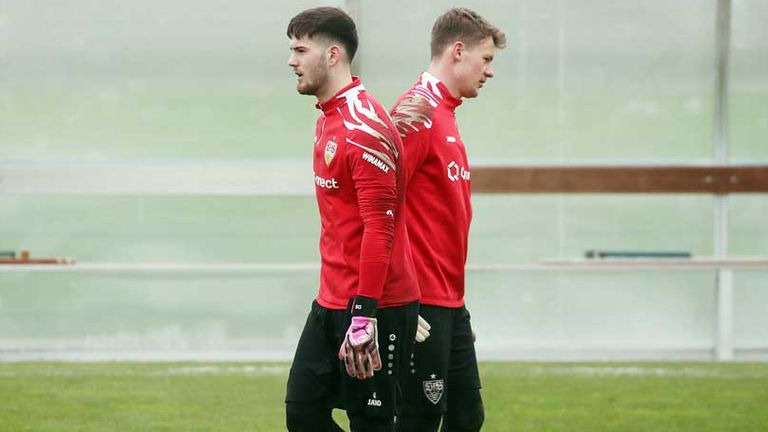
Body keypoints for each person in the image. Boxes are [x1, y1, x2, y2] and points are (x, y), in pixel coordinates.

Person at [283, 7, 420, 432]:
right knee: (302, 412)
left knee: (370, 423)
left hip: (376, 305)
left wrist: (365, 314)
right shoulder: (328, 120)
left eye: (300, 49)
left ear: (333, 55)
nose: (291, 60)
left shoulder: (363, 128)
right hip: (330, 299)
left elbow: (380, 228)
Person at [390, 7, 506, 432]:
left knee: (466, 415)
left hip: (449, 301)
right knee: (419, 421)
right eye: (486, 59)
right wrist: (394, 294)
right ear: (458, 51)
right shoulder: (415, 113)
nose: (489, 72)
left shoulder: (446, 113)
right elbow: (377, 204)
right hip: (420, 302)